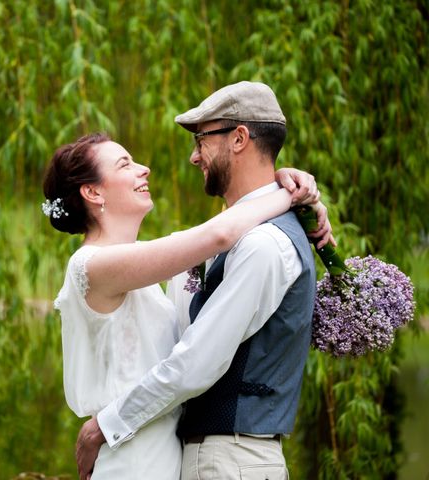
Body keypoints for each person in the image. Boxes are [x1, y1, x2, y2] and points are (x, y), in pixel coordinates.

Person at [43, 101, 331, 478]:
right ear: (94, 193)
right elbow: (220, 233)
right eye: (124, 164)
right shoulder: (92, 266)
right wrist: (293, 194)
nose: (144, 167)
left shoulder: (153, 270)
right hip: (132, 458)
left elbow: (213, 266)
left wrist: (288, 191)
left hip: (165, 453)